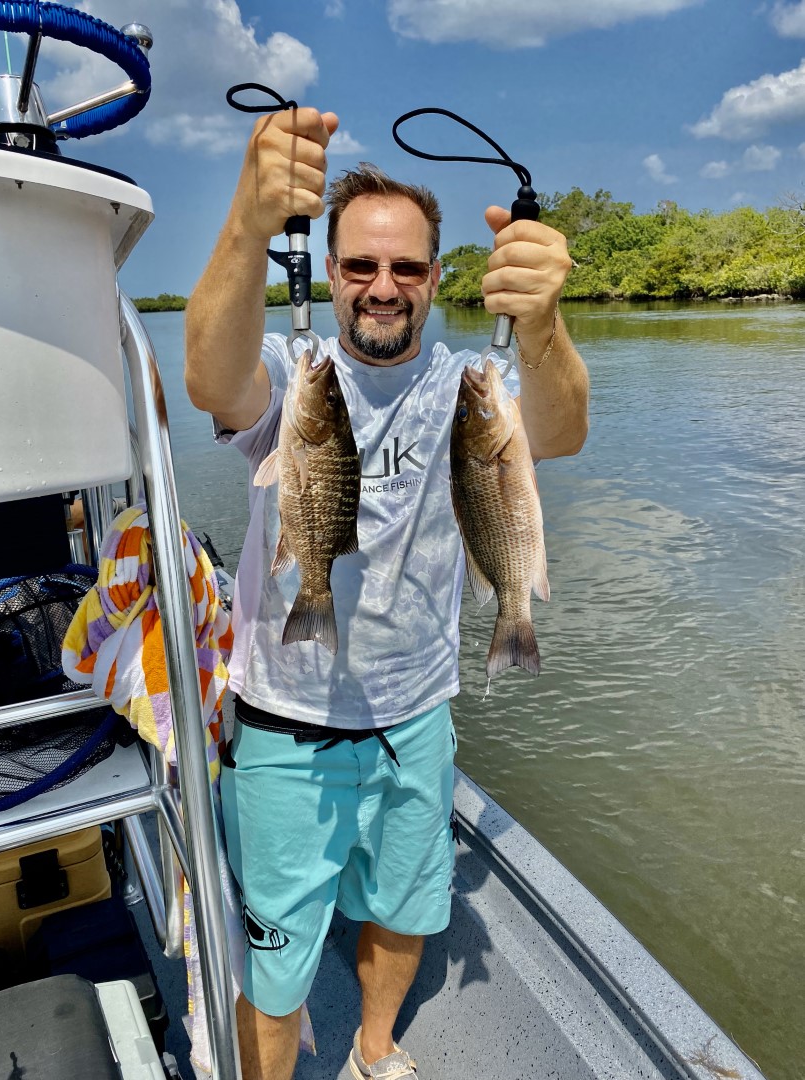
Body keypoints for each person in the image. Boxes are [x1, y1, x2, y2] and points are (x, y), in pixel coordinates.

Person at [184, 107, 589, 1080]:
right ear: (329, 273)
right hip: (288, 729)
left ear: (436, 278)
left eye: (407, 268)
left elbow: (564, 428)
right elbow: (208, 373)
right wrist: (248, 219)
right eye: (361, 266)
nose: (383, 286)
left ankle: (374, 1047)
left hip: (419, 721)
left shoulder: (470, 386)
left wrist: (540, 322)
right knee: (275, 968)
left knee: (406, 911)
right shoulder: (295, 373)